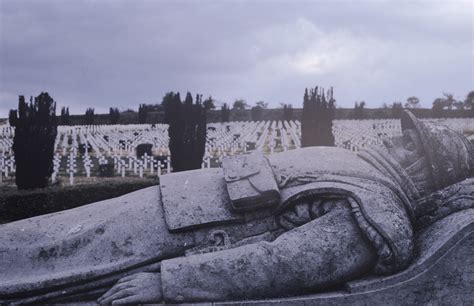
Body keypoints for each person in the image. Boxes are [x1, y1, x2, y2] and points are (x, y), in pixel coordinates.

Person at [0, 111, 472, 305]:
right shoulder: (361, 168)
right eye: (406, 135)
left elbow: (284, 263)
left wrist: (167, 281)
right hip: (171, 203)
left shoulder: (375, 212)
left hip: (181, 234)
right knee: (45, 232)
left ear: (426, 171)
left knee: (46, 257)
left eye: (410, 144)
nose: (395, 138)